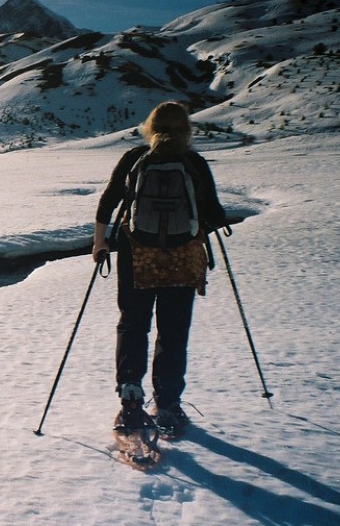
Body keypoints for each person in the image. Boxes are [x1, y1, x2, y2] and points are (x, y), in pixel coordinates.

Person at [92, 102, 226, 434]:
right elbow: (214, 215)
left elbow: (108, 202)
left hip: (136, 257)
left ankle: (130, 398)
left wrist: (100, 243)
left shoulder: (134, 159)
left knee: (133, 325)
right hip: (182, 260)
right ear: (186, 130)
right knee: (173, 331)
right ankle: (167, 405)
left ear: (149, 127)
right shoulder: (193, 162)